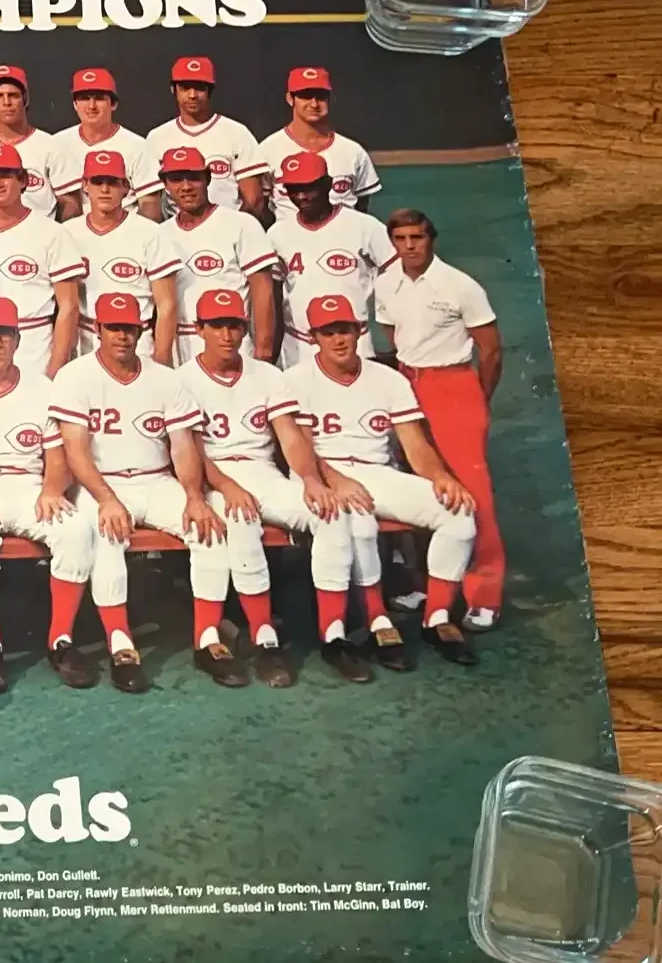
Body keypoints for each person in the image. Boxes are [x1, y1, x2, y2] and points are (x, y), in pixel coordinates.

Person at [284, 294, 480, 668]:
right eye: (328, 332)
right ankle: (377, 619)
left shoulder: (388, 379)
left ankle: (437, 618)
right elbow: (299, 448)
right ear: (314, 337)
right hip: (321, 474)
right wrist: (335, 479)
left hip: (377, 472)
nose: (338, 339)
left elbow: (415, 444)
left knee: (459, 514)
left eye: (345, 330)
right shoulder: (295, 380)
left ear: (359, 330)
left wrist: (440, 476)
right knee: (358, 522)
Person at [49, 292, 231, 692]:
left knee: (210, 531)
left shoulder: (165, 379)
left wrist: (195, 498)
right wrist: (106, 499)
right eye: (114, 328)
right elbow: (75, 452)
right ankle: (121, 643)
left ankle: (208, 639)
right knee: (107, 534)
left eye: (130, 328)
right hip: (102, 484)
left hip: (155, 480)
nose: (122, 336)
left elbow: (182, 446)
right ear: (98, 330)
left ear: (142, 329)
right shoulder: (75, 375)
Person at [176, 290, 360, 685]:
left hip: (262, 471)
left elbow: (289, 436)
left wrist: (310, 479)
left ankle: (334, 635)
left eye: (235, 325)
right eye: (217, 326)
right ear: (199, 329)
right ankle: (264, 638)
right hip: (213, 477)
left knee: (331, 514)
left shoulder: (267, 375)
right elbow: (190, 450)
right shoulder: (182, 379)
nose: (227, 335)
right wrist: (226, 485)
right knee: (240, 520)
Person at [0, 297, 96, 692]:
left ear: (18, 338)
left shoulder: (42, 387)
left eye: (4, 334)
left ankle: (61, 639)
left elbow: (56, 456)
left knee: (75, 529)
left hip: (27, 484)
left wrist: (51, 489)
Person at [376, 209, 505, 631]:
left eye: (417, 237)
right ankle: (428, 587)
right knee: (420, 488)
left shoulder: (460, 285)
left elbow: (491, 350)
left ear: (431, 239)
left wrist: (477, 398)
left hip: (454, 388)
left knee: (473, 492)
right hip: (407, 386)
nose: (409, 246)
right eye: (401, 239)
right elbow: (395, 338)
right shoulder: (385, 283)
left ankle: (484, 596)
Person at [0, 143, 87, 377]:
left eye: (6, 175)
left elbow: (68, 306)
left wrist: (56, 367)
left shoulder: (51, 232)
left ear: (23, 180)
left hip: (33, 347)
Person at [267, 152, 397, 367]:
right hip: (299, 347)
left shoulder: (365, 226)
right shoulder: (276, 234)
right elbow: (274, 301)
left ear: (328, 184)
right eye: (293, 189)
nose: (301, 196)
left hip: (354, 344)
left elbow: (399, 278)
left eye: (309, 188)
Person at [153, 147, 279, 365]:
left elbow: (263, 289)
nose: (186, 187)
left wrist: (264, 348)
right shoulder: (159, 234)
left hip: (230, 341)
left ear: (208, 179)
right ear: (165, 184)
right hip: (179, 343)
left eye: (194, 178)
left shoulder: (241, 224)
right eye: (176, 179)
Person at [64, 150, 181, 363]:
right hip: (85, 340)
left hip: (136, 340)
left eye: (113, 182)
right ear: (85, 186)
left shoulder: (150, 232)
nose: (105, 189)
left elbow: (167, 305)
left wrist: (162, 358)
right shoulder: (67, 233)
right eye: (98, 182)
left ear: (126, 187)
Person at [137, 57, 266, 217]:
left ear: (210, 91)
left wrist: (233, 227)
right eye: (185, 88)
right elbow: (150, 201)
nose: (192, 95)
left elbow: (254, 200)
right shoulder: (157, 138)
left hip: (227, 225)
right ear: (173, 90)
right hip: (176, 228)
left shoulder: (236, 133)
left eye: (199, 88)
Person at [258, 67, 381, 224]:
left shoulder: (352, 151)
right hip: (288, 237)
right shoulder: (268, 150)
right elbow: (261, 207)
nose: (314, 104)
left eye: (321, 97)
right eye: (306, 96)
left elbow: (362, 206)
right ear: (290, 99)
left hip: (342, 236)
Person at [46, 68, 155, 222]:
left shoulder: (137, 146)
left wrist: (134, 233)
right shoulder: (57, 144)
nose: (91, 106)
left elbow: (150, 204)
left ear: (113, 104)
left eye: (99, 98)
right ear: (75, 104)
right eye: (84, 98)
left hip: (124, 228)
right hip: (74, 231)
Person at [0, 64, 57, 219]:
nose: (7, 102)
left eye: (13, 95)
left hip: (40, 229)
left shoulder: (50, 145)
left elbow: (69, 202)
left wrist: (51, 230)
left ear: (25, 99)